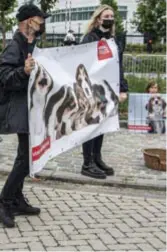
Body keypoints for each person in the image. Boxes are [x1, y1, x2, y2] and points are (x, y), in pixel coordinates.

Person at [0, 4, 50, 228]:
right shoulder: (14, 45)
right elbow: (4, 76)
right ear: (29, 21)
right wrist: (23, 71)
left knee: (28, 155)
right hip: (18, 109)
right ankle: (5, 201)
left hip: (32, 108)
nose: (42, 24)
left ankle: (17, 199)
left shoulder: (33, 44)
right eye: (40, 20)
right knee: (25, 157)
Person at [80, 5, 128, 179]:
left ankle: (97, 158)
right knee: (91, 125)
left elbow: (118, 66)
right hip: (92, 88)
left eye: (112, 16)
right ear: (98, 18)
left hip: (108, 89)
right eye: (106, 15)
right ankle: (87, 163)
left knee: (101, 126)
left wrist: (123, 87)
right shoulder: (90, 38)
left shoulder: (114, 40)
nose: (109, 18)